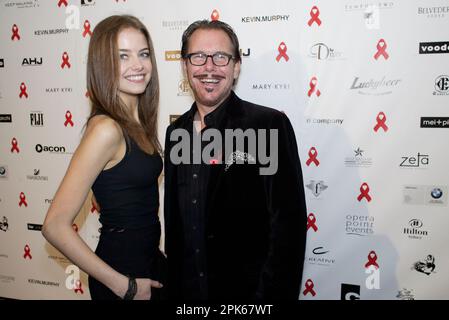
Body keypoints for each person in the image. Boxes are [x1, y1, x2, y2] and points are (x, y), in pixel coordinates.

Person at [164, 20, 307, 300]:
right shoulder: (175, 133)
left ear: (236, 67)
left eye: (221, 57)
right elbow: (176, 226)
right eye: (198, 57)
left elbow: (288, 229)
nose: (209, 67)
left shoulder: (268, 126)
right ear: (185, 67)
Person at [42, 15, 166, 300]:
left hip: (149, 263)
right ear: (103, 64)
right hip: (122, 276)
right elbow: (54, 225)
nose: (138, 65)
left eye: (143, 54)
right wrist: (125, 286)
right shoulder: (106, 129)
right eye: (123, 56)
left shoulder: (136, 122)